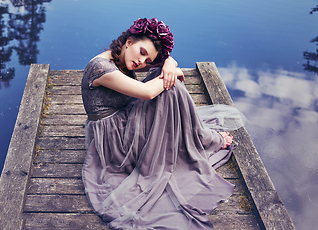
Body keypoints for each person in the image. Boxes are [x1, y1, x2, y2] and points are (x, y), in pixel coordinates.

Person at [81, 18, 244, 230]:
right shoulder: (99, 68)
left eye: (148, 59)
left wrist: (168, 63)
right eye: (142, 52)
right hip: (114, 142)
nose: (142, 62)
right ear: (129, 42)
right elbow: (148, 93)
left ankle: (200, 136)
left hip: (124, 121)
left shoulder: (122, 57)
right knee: (170, 86)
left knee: (164, 79)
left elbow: (164, 64)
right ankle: (204, 138)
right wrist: (172, 73)